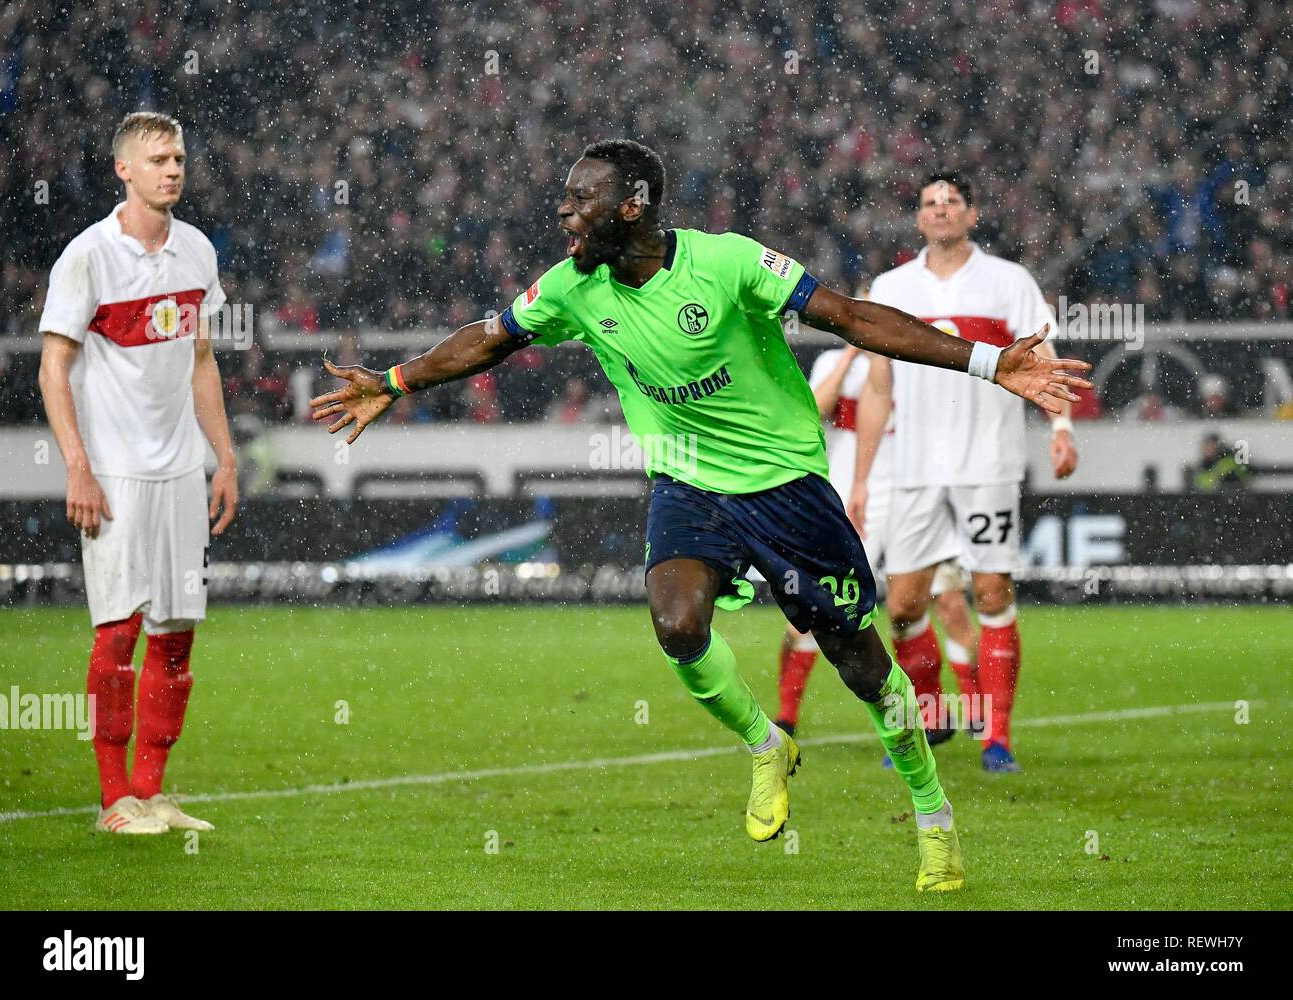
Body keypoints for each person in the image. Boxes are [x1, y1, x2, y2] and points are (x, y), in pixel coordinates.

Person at [310, 140, 1090, 891]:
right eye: (566, 198)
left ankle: (932, 809)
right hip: (687, 481)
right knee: (678, 622)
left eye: (582, 199)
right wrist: (394, 381)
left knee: (858, 663)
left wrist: (990, 363)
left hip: (786, 484)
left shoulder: (727, 261)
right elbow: (489, 340)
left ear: (632, 206)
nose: (564, 211)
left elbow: (852, 318)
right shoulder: (573, 287)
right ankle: (766, 742)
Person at [38, 112, 237, 834]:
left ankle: (152, 792)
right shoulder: (87, 256)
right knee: (118, 634)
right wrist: (79, 468)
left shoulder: (197, 252)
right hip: (117, 473)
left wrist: (225, 457)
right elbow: (53, 368)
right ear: (124, 169)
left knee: (177, 633)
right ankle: (112, 799)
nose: (173, 169)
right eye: (157, 159)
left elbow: (202, 361)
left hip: (183, 468)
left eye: (179, 156)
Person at [856, 172, 1081, 773]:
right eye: (930, 202)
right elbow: (877, 391)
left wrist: (1061, 428)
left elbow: (1041, 358)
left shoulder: (1008, 281)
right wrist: (860, 479)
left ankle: (997, 738)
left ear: (971, 214)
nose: (941, 209)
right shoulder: (892, 286)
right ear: (918, 218)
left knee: (990, 592)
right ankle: (929, 719)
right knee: (902, 607)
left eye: (952, 201)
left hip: (987, 464)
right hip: (912, 473)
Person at [773, 345, 978, 747]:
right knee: (815, 608)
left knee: (949, 604)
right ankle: (786, 715)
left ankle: (970, 712)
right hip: (852, 497)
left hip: (918, 494)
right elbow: (812, 411)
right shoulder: (833, 362)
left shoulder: (917, 359)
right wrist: (851, 356)